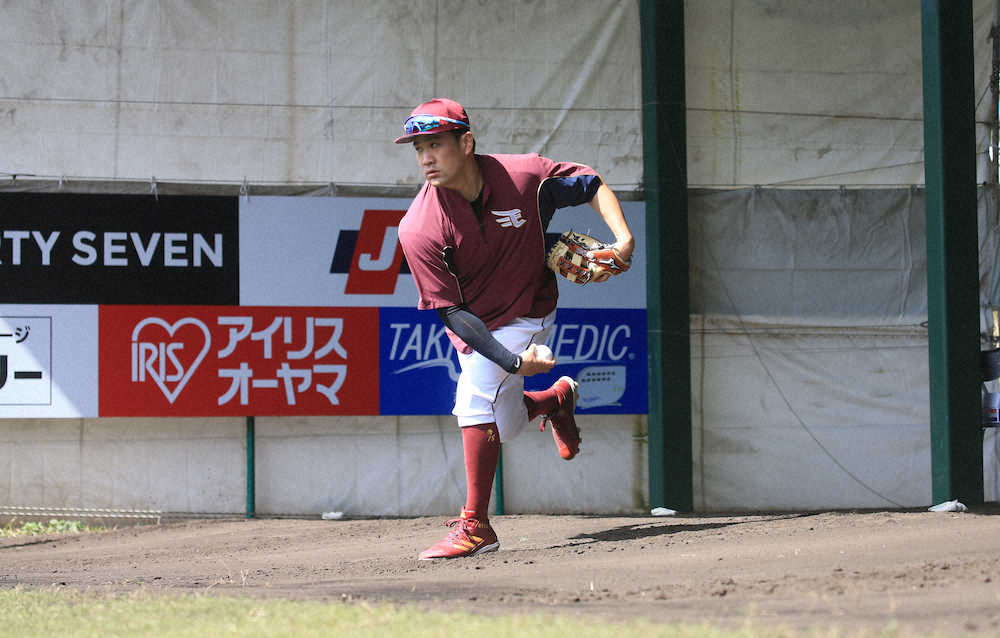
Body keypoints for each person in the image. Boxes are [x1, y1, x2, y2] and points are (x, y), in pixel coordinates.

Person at [394, 98, 634, 560]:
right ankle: (555, 399)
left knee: (473, 400)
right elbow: (452, 312)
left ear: (466, 142)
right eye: (418, 147)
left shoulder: (523, 177)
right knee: (500, 426)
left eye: (436, 144)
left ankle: (475, 525)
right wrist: (514, 362)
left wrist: (623, 236)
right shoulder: (419, 227)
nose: (425, 157)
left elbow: (591, 182)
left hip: (529, 310)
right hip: (474, 329)